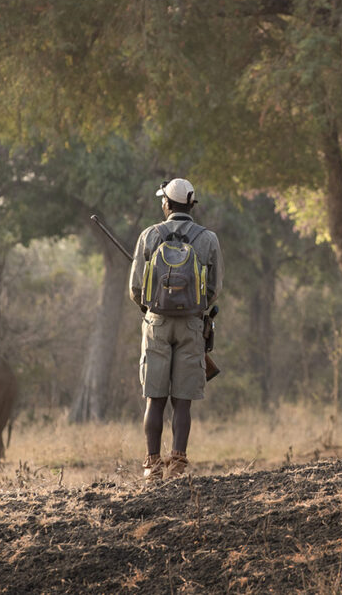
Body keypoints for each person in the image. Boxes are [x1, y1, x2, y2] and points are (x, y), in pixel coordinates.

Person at [129, 178, 222, 479]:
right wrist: (194, 307)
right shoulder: (208, 239)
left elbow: (134, 288)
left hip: (156, 324)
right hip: (193, 325)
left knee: (155, 399)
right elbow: (215, 289)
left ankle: (152, 466)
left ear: (167, 204)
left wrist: (152, 308)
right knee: (182, 401)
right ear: (191, 205)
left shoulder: (149, 235)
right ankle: (178, 464)